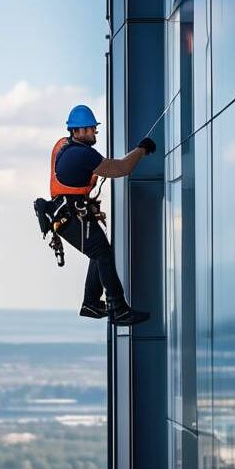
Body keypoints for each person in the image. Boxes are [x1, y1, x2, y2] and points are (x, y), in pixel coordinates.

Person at [48, 104, 155, 326]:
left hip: (69, 214)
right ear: (75, 132)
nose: (92, 132)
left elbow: (115, 165)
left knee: (100, 253)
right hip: (71, 215)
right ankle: (119, 309)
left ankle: (91, 303)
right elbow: (122, 169)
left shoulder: (69, 148)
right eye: (87, 129)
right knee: (102, 254)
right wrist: (142, 150)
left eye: (92, 128)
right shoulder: (80, 154)